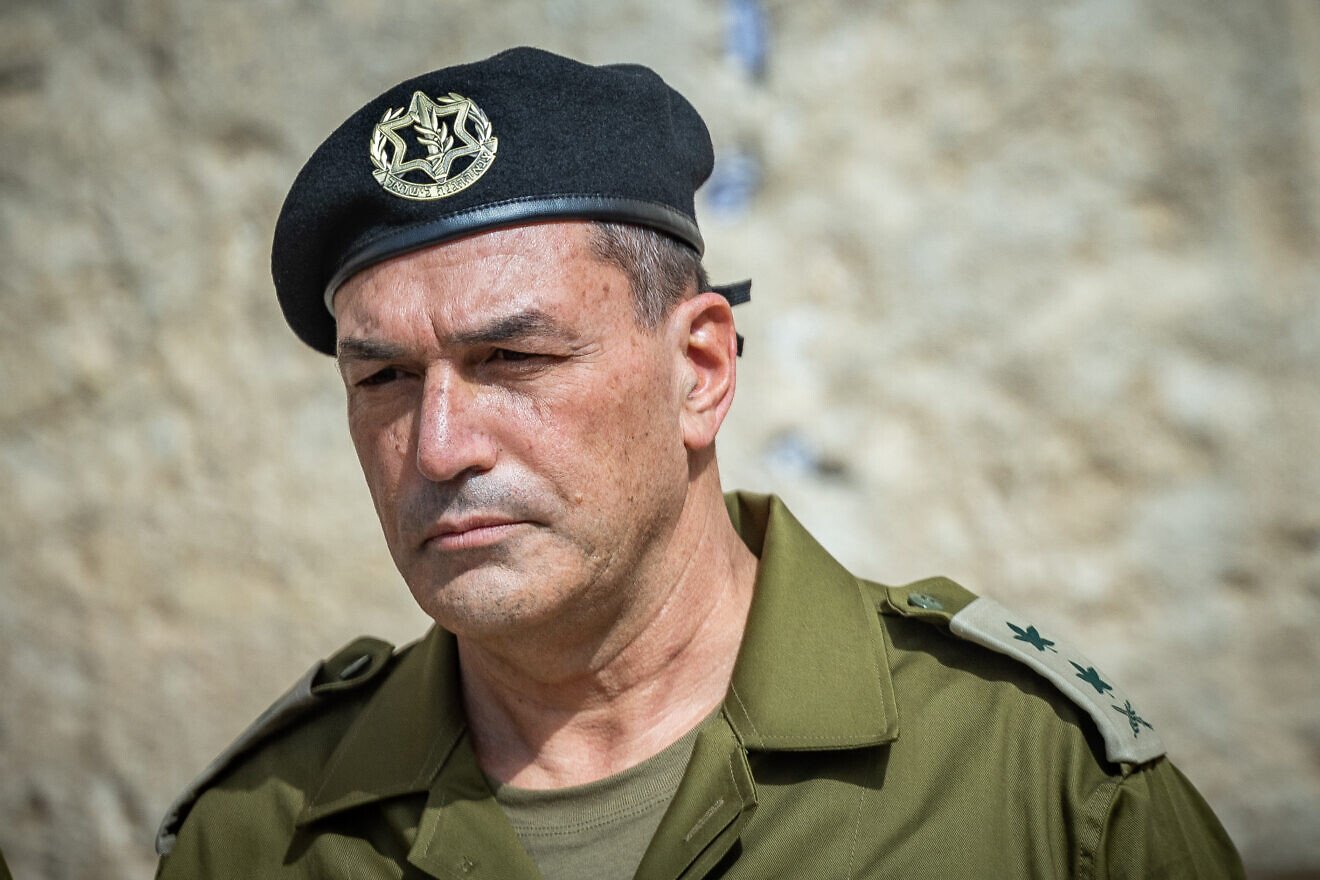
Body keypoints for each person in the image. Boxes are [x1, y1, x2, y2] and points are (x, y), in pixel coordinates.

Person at [154, 47, 1244, 879]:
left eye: (515, 357)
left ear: (702, 369)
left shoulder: (1030, 788)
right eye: (385, 379)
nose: (438, 446)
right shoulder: (261, 833)